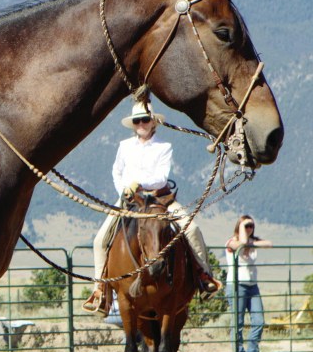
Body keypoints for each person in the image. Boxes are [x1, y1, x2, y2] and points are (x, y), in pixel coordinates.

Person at [83, 100, 222, 313]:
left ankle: (204, 276)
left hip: (160, 199)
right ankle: (100, 289)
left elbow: (160, 177)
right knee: (100, 239)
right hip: (129, 200)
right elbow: (116, 171)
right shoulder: (124, 146)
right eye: (137, 121)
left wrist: (138, 183)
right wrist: (124, 189)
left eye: (145, 120)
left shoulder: (164, 147)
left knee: (192, 229)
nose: (141, 124)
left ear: (153, 122)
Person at [225, 214, 272, 352]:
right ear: (239, 226)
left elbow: (269, 244)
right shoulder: (231, 242)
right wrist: (245, 236)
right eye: (246, 226)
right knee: (237, 324)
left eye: (251, 225)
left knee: (259, 321)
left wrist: (251, 244)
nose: (249, 228)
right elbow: (242, 244)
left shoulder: (253, 242)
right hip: (236, 284)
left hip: (252, 285)